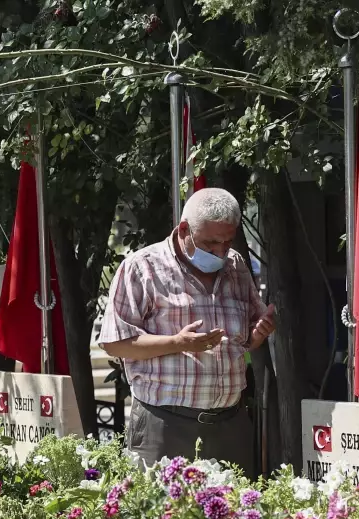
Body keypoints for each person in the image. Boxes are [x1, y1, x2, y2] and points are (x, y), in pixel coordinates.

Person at [99, 188, 276, 474]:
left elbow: (243, 341)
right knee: (159, 517)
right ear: (184, 230)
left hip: (230, 425)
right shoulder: (142, 267)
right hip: (165, 426)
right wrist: (177, 342)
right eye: (210, 244)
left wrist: (257, 334)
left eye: (227, 242)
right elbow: (115, 343)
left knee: (234, 518)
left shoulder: (236, 265)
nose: (220, 252)